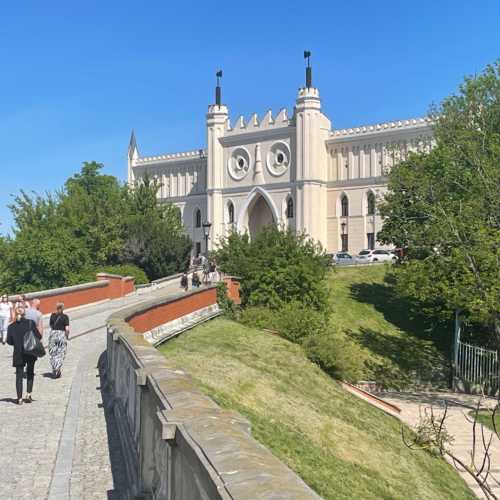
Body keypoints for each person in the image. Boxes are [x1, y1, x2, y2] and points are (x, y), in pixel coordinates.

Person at [7, 305, 42, 404]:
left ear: (15, 313)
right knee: (30, 373)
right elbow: (38, 336)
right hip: (30, 352)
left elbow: (9, 341)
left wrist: (17, 342)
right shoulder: (31, 323)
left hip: (18, 352)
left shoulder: (11, 326)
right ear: (24, 313)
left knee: (19, 376)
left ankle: (19, 399)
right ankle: (28, 394)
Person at [48, 302, 69, 378]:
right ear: (63, 308)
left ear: (56, 308)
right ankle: (58, 369)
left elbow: (51, 325)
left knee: (53, 352)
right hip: (61, 335)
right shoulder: (65, 317)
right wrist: (67, 336)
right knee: (61, 353)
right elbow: (67, 329)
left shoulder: (52, 315)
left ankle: (54, 369)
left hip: (53, 335)